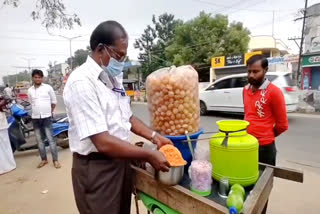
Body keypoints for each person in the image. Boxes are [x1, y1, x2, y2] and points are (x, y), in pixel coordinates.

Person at [63, 20, 172, 214]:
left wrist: (154, 136)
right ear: (100, 49)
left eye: (124, 56)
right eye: (118, 55)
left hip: (120, 161)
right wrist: (148, 154)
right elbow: (103, 142)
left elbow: (127, 118)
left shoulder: (113, 79)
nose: (121, 62)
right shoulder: (81, 83)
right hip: (97, 168)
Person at [243, 54, 288, 213]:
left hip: (265, 149)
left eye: (256, 71)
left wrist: (266, 135)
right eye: (249, 71)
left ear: (265, 70)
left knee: (262, 193)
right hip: (246, 147)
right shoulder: (245, 90)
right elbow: (248, 115)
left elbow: (282, 125)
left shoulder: (274, 92)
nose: (251, 75)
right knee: (246, 185)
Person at [28, 69, 61, 169]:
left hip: (46, 117)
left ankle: (55, 160)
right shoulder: (30, 90)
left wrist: (49, 111)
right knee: (39, 140)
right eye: (35, 77)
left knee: (51, 139)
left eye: (39, 77)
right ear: (33, 78)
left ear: (42, 78)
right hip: (35, 118)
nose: (37, 79)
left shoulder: (48, 88)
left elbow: (54, 101)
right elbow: (31, 103)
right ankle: (44, 160)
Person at [0, 96, 16, 175]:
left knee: (4, 145)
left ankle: (7, 166)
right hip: (2, 123)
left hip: (1, 124)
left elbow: (4, 105)